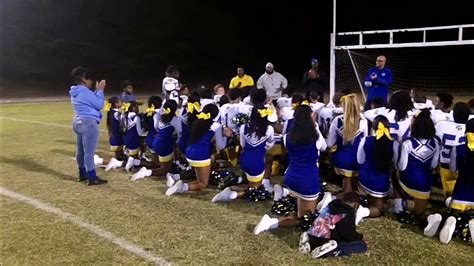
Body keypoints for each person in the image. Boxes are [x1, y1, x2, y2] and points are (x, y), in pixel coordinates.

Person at [253, 102, 327, 235]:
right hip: (308, 180)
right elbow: (324, 147)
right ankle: (271, 223)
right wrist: (315, 126)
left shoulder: (287, 137)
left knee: (302, 211)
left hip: (291, 177)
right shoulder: (315, 137)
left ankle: (280, 198)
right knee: (307, 220)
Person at [423, 119, 474, 244]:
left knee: (450, 209)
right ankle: (468, 224)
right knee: (467, 218)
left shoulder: (458, 149)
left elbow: (452, 169)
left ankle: (443, 221)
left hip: (459, 195)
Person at [211, 104, 275, 203]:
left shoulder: (243, 127)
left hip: (244, 159)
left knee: (268, 159)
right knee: (256, 192)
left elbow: (242, 144)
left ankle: (240, 180)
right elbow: (270, 143)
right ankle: (232, 194)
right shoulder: (269, 129)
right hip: (256, 162)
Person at [165, 104, 226, 196]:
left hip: (189, 152)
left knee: (199, 179)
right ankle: (181, 188)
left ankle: (181, 184)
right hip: (200, 155)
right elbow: (221, 146)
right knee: (203, 183)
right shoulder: (216, 125)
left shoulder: (197, 121)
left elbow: (204, 138)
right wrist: (225, 136)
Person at [398, 109, 440, 221]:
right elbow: (434, 164)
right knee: (420, 213)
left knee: (395, 174)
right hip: (426, 182)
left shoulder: (407, 143)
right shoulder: (435, 143)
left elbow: (402, 166)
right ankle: (424, 217)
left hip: (408, 181)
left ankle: (400, 203)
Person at [69, 66, 108, 185]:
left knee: (80, 151)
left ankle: (82, 174)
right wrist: (100, 90)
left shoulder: (76, 91)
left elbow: (90, 102)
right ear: (83, 79)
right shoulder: (84, 91)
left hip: (78, 121)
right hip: (88, 123)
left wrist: (96, 92)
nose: (91, 81)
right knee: (89, 153)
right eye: (89, 79)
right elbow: (99, 104)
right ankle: (92, 177)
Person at [298, 192, 368, 258]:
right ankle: (331, 251)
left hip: (313, 234)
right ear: (356, 205)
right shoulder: (348, 212)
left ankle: (309, 241)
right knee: (361, 245)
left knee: (324, 236)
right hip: (327, 239)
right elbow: (346, 234)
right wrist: (359, 237)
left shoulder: (331, 205)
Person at [130, 100, 182, 184]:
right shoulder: (175, 119)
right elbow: (180, 133)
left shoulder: (161, 117)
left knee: (158, 164)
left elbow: (157, 128)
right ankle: (147, 172)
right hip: (164, 144)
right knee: (165, 169)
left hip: (156, 141)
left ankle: (139, 164)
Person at [327, 94, 368, 194]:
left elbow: (329, 143)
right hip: (357, 160)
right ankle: (352, 190)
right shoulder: (363, 122)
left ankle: (347, 193)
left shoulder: (337, 121)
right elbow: (364, 143)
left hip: (340, 159)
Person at [357, 115, 395, 218]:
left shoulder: (366, 139)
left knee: (371, 199)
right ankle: (362, 212)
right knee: (379, 209)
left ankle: (363, 205)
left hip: (364, 178)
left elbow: (360, 160)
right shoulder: (393, 143)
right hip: (380, 182)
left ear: (373, 128)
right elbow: (395, 163)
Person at [103, 97, 125, 171]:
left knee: (118, 153)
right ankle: (115, 163)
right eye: (120, 102)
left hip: (113, 136)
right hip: (118, 136)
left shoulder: (111, 113)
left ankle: (117, 162)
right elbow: (122, 125)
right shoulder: (117, 114)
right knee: (119, 154)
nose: (121, 103)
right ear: (116, 104)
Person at [123, 101, 145, 172]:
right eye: (136, 106)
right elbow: (139, 133)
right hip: (134, 140)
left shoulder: (125, 115)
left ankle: (130, 163)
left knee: (133, 156)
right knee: (134, 158)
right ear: (132, 107)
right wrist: (145, 128)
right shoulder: (136, 117)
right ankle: (129, 166)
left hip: (127, 139)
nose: (138, 108)